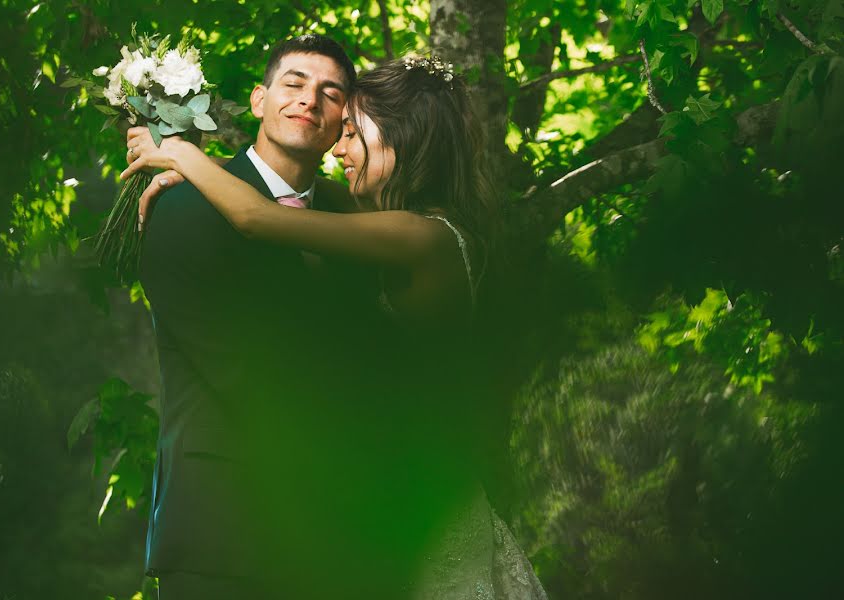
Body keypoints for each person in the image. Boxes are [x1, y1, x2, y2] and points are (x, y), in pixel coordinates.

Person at [125, 53, 548, 598]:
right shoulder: (378, 224)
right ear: (260, 98)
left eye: (352, 131)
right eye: (296, 85)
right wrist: (199, 176)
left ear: (404, 139)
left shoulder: (418, 236)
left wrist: (183, 154)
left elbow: (259, 218)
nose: (341, 149)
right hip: (359, 505)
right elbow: (280, 212)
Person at [130, 34, 372, 599]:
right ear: (259, 100)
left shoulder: (354, 216)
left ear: (343, 119)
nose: (309, 100)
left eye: (330, 93)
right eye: (294, 84)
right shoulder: (183, 202)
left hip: (339, 538)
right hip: (222, 525)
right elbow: (240, 366)